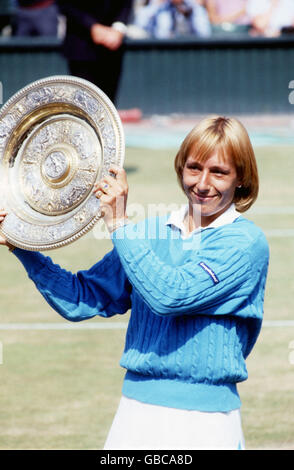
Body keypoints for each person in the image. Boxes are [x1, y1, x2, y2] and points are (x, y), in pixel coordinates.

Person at [0, 116, 269, 449]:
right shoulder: (149, 234)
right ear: (180, 168)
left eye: (219, 172)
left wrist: (119, 224)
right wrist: (22, 244)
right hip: (135, 414)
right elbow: (81, 298)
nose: (202, 183)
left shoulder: (245, 244)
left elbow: (171, 295)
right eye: (194, 167)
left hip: (207, 422)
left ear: (242, 178)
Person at [56, 0, 133, 104]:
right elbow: (65, 5)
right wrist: (92, 26)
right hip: (80, 46)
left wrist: (118, 28)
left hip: (112, 46)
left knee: (108, 104)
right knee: (83, 102)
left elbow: (126, 5)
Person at [144, 0, 211, 38]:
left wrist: (190, 14)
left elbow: (204, 33)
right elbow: (161, 35)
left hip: (193, 51)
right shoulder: (162, 9)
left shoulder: (196, 9)